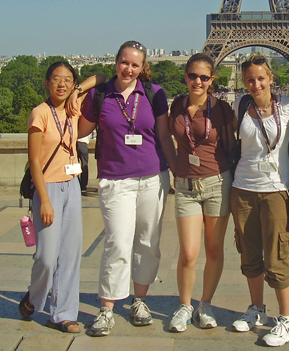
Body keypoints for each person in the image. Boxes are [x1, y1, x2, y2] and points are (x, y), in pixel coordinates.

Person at [78, 40, 177, 337]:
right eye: (124, 62)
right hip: (115, 179)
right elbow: (80, 131)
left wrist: (177, 171)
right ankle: (107, 308)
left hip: (152, 177)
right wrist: (79, 89)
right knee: (117, 242)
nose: (129, 69)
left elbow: (164, 135)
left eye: (135, 64)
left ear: (142, 67)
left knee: (148, 242)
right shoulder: (99, 94)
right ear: (116, 61)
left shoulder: (154, 93)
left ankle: (139, 300)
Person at [18, 62, 105, 333]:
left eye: (68, 79)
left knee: (69, 255)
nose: (62, 84)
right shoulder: (40, 113)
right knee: (46, 256)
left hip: (72, 186)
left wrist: (77, 90)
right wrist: (44, 200)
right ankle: (34, 296)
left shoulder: (73, 105)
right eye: (56, 79)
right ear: (46, 83)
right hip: (48, 188)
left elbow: (101, 76)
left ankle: (63, 314)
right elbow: (34, 160)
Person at [229, 53, 289, 346]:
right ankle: (257, 308)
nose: (255, 84)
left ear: (271, 78)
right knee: (249, 254)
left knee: (276, 256)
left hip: (275, 190)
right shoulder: (239, 105)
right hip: (243, 189)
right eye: (250, 80)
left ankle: (287, 319)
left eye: (261, 78)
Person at [168, 53, 235, 332]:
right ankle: (185, 305)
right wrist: (175, 168)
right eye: (193, 75)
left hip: (217, 183)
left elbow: (231, 146)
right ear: (185, 76)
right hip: (186, 186)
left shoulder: (222, 109)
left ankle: (205, 304)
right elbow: (166, 138)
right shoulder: (177, 106)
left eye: (204, 77)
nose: (198, 81)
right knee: (188, 253)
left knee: (214, 249)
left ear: (212, 80)